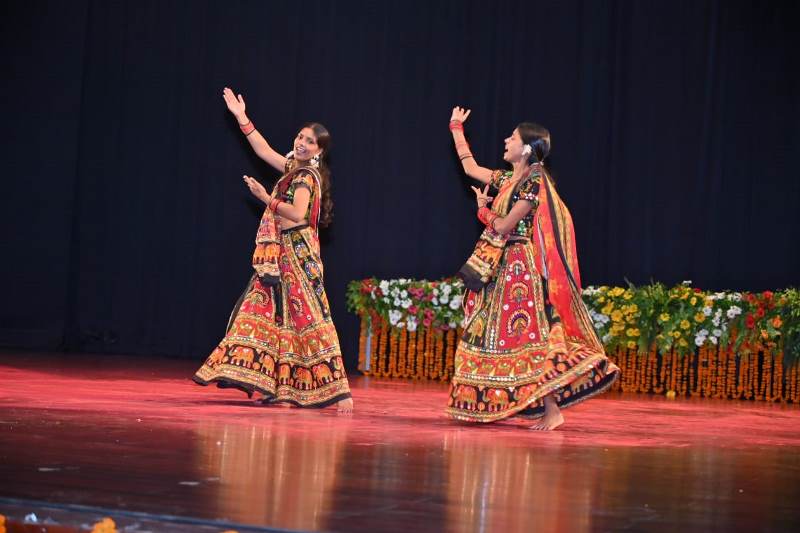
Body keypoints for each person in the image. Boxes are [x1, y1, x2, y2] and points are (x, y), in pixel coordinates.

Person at [446, 106, 618, 429]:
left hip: (520, 269)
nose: (506, 141)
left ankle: (552, 409)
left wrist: (483, 212)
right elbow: (470, 168)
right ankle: (488, 401)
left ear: (526, 147)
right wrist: (456, 128)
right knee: (489, 334)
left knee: (531, 339)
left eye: (512, 138)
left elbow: (505, 225)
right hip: (499, 267)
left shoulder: (534, 181)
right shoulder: (507, 179)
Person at [193, 87, 353, 413]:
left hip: (299, 254)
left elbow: (297, 214)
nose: (301, 143)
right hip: (285, 252)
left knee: (309, 317)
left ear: (319, 150)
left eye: (310, 141)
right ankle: (283, 387)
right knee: (281, 318)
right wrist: (242, 117)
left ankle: (340, 392)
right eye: (300, 137)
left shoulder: (305, 177)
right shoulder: (295, 168)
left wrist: (265, 197)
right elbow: (264, 150)